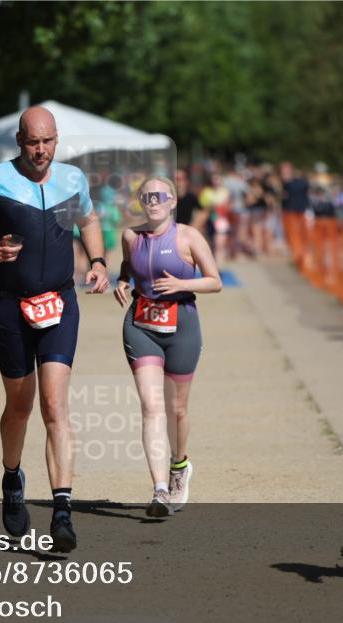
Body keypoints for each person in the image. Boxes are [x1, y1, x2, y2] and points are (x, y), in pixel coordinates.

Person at [0, 107, 109, 552]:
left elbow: (89, 220)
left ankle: (62, 510)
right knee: (19, 406)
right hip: (9, 307)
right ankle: (13, 476)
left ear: (57, 141)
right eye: (33, 143)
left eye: (48, 142)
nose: (41, 151)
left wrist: (97, 261)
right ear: (19, 141)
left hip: (59, 303)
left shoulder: (73, 179)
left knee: (55, 406)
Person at [113, 177, 222, 516]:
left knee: (176, 410)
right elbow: (129, 267)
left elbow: (215, 281)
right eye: (145, 197)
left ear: (172, 201)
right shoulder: (132, 236)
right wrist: (121, 281)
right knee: (150, 405)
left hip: (182, 325)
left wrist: (181, 283)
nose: (152, 201)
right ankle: (159, 490)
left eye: (158, 196)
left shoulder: (188, 236)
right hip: (141, 325)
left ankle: (179, 466)